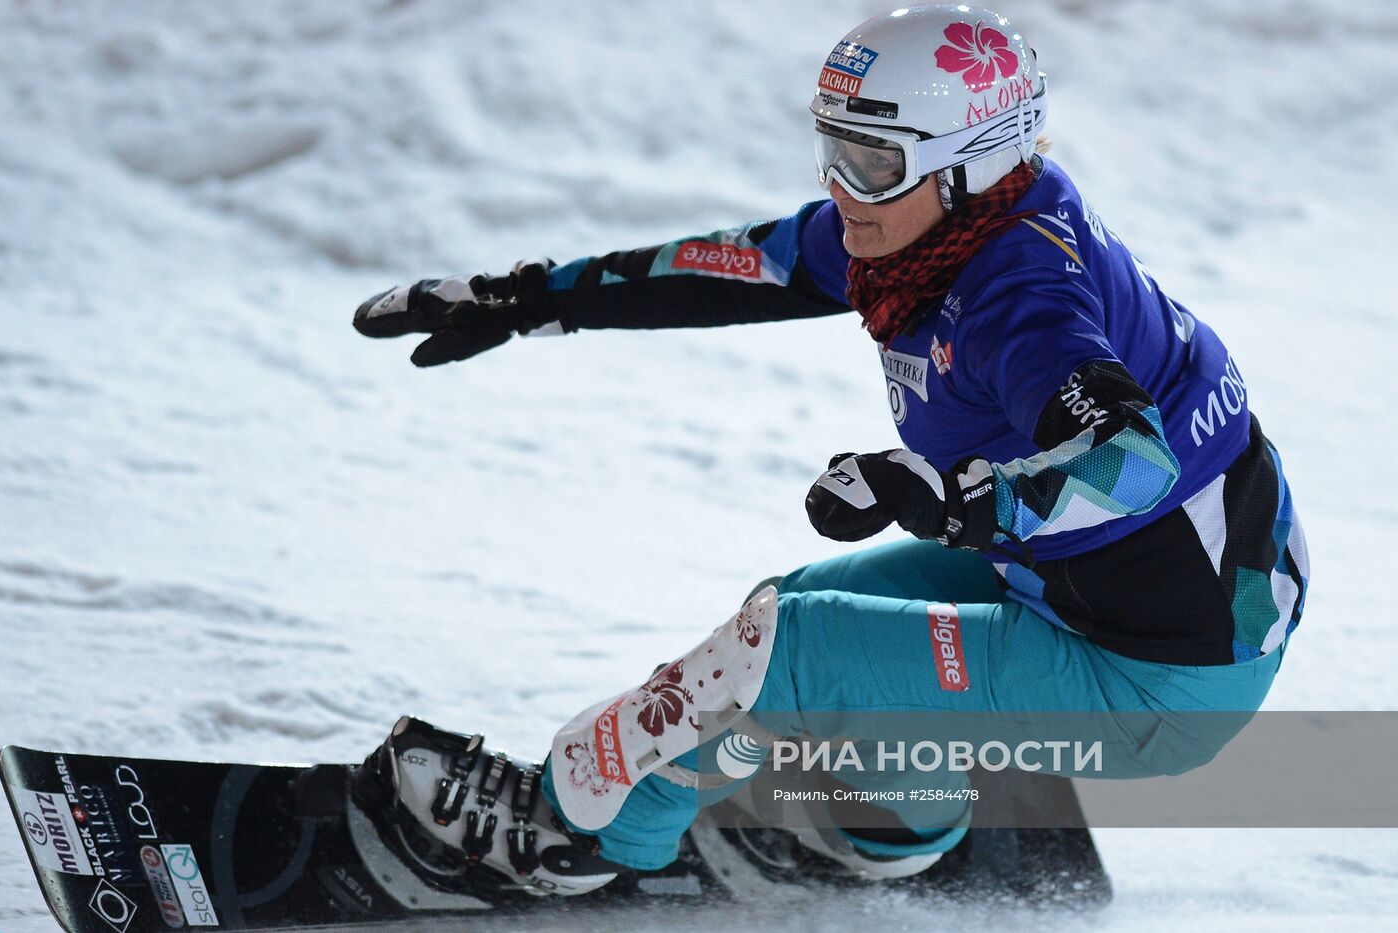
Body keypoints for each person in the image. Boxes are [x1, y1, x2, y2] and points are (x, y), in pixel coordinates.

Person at [349, 3, 1310, 897]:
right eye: (834, 147)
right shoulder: (937, 228)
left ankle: (578, 835)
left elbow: (1136, 459)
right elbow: (737, 265)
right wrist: (533, 297)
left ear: (967, 164)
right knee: (793, 606)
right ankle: (901, 832)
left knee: (790, 653)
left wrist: (958, 498)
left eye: (874, 162)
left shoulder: (1023, 303)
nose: (843, 190)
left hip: (1159, 676)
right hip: (1083, 586)